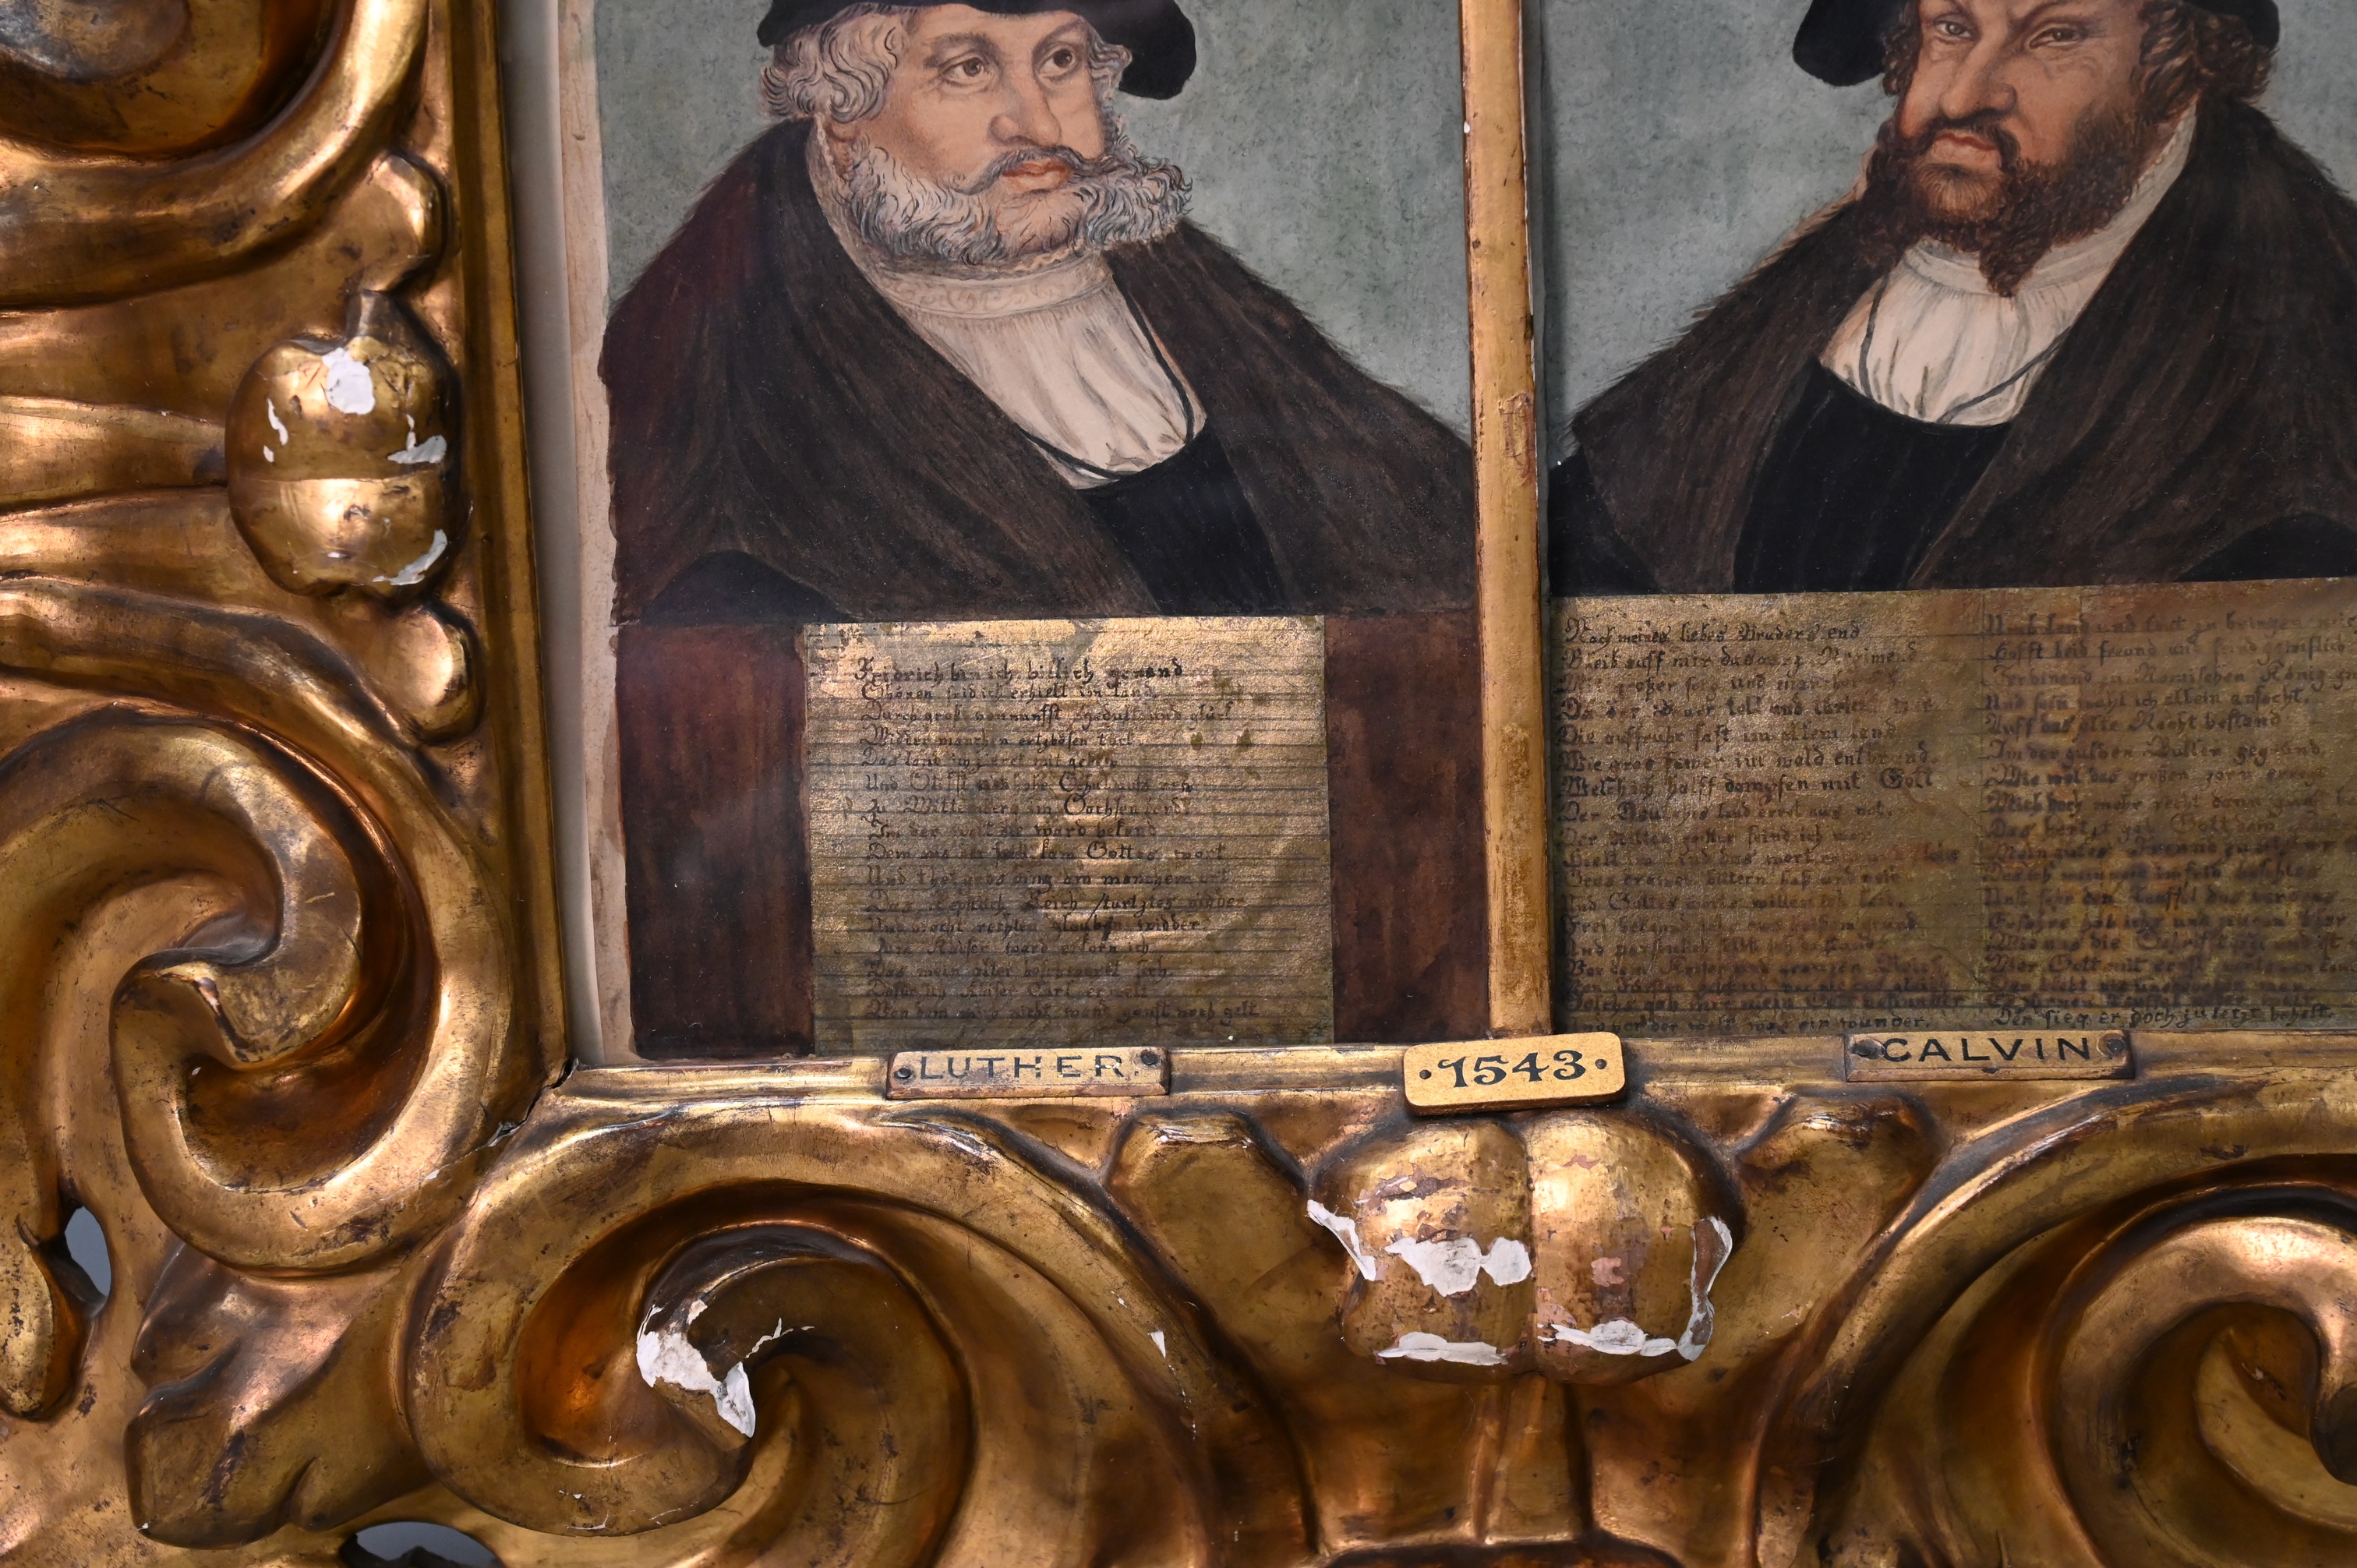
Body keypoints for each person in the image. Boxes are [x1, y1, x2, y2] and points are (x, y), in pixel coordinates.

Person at [604, 0, 1472, 625]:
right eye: (968, 68)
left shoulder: (1158, 262)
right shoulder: (715, 348)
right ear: (843, 116)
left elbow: (1432, 530)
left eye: (1059, 61)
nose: (1036, 123)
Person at [1552, 0, 2357, 595]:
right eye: (1952, 28)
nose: (1966, 95)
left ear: (2177, 71)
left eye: (2054, 37)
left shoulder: (2300, 332)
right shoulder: (1863, 251)